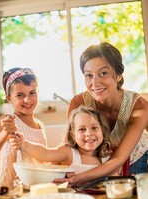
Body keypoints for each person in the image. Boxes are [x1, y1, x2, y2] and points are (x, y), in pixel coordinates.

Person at [55, 42, 148, 187]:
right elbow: (70, 145)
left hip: (134, 159)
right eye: (89, 75)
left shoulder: (139, 106)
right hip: (97, 161)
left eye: (103, 73)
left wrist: (79, 178)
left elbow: (118, 160)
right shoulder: (78, 103)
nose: (95, 83)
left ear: (118, 75)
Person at [0, 67, 47, 190]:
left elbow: (42, 159)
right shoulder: (7, 121)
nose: (27, 100)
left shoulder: (40, 125)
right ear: (9, 99)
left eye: (32, 93)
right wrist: (5, 132)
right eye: (20, 95)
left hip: (30, 189)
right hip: (5, 190)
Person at [9, 106, 115, 175]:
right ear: (72, 135)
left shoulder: (105, 157)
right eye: (82, 129)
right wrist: (23, 143)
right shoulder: (69, 153)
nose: (89, 134)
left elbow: (115, 179)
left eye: (94, 128)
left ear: (102, 130)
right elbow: (45, 153)